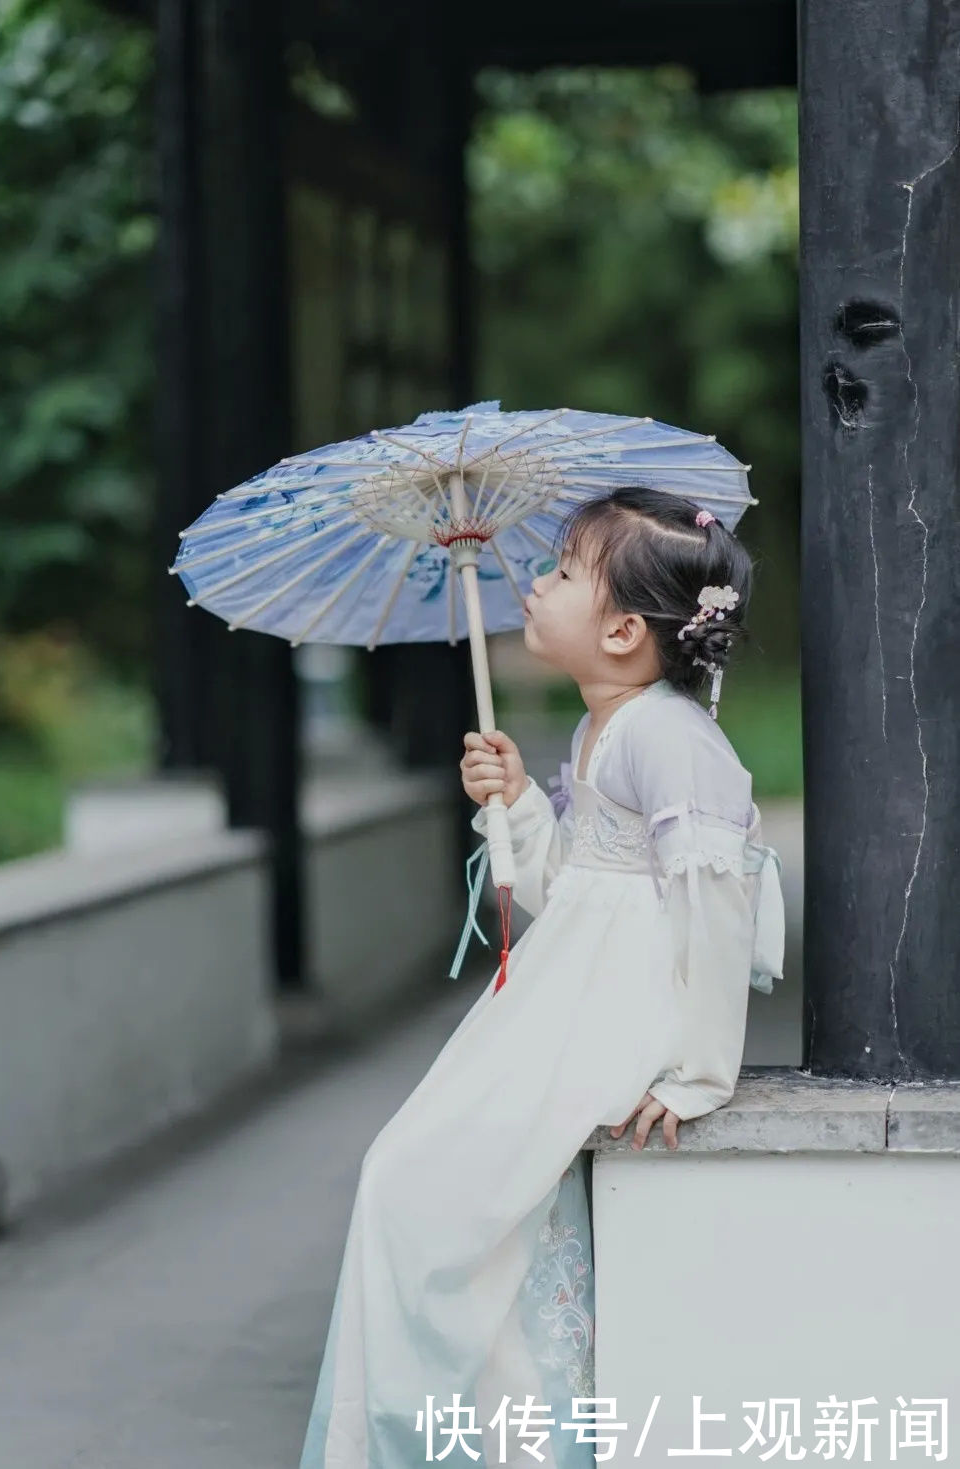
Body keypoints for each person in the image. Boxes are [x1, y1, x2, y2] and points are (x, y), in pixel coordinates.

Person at [298, 485, 785, 1469]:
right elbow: (577, 888)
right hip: (568, 1004)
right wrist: (518, 798)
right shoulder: (605, 729)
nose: (536, 582)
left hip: (602, 1021)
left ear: (617, 630)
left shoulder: (666, 736)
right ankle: (480, 1426)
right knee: (410, 1179)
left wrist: (694, 1068)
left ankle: (482, 1431)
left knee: (420, 1182)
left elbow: (714, 905)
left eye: (563, 572)